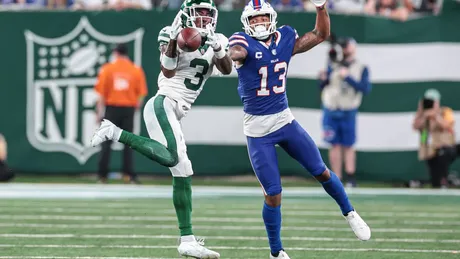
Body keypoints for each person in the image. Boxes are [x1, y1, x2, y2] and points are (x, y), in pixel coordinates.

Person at [227, 0, 371, 258]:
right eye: (254, 20)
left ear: (271, 18)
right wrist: (223, 53)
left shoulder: (285, 37)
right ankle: (276, 252)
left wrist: (320, 7)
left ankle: (350, 212)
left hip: (284, 120)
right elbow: (236, 52)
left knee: (322, 171)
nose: (259, 23)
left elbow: (320, 35)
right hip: (258, 130)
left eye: (262, 18)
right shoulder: (241, 42)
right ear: (246, 23)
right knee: (273, 194)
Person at [90, 0, 232, 258]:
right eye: (199, 12)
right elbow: (167, 72)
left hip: (177, 111)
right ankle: (114, 132)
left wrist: (220, 50)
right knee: (172, 157)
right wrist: (173, 43)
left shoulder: (218, 37)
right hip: (163, 103)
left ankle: (187, 240)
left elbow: (227, 68)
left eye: (207, 13)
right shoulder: (170, 33)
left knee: (183, 171)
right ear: (187, 13)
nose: (204, 17)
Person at [319, 37, 372, 187]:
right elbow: (323, 85)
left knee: (348, 145)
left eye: (347, 46)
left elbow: (365, 88)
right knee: (333, 144)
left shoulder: (361, 67)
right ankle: (336, 178)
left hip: (348, 110)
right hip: (331, 108)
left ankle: (350, 176)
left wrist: (348, 77)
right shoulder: (332, 64)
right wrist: (323, 78)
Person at [94, 43, 148, 184]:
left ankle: (102, 175)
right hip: (128, 109)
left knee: (106, 143)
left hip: (112, 108)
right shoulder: (135, 70)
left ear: (116, 53)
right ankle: (129, 174)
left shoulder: (108, 69)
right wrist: (136, 107)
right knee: (128, 143)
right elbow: (141, 94)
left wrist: (99, 112)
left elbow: (101, 94)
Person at [412, 89, 456, 188]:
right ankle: (439, 183)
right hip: (429, 149)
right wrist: (422, 113)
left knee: (443, 156)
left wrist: (435, 115)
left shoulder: (445, 111)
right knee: (435, 181)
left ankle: (445, 179)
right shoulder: (422, 114)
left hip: (444, 147)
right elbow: (416, 127)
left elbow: (447, 126)